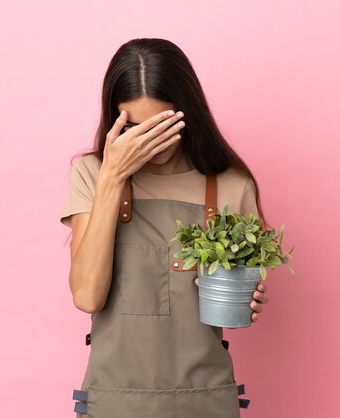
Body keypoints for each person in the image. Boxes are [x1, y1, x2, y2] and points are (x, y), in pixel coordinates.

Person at [60, 38, 270, 418]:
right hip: (115, 400)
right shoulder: (91, 175)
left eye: (161, 125)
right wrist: (112, 177)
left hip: (205, 400)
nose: (150, 142)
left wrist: (247, 299)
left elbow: (235, 303)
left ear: (186, 111)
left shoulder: (231, 185)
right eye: (135, 127)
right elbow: (87, 297)